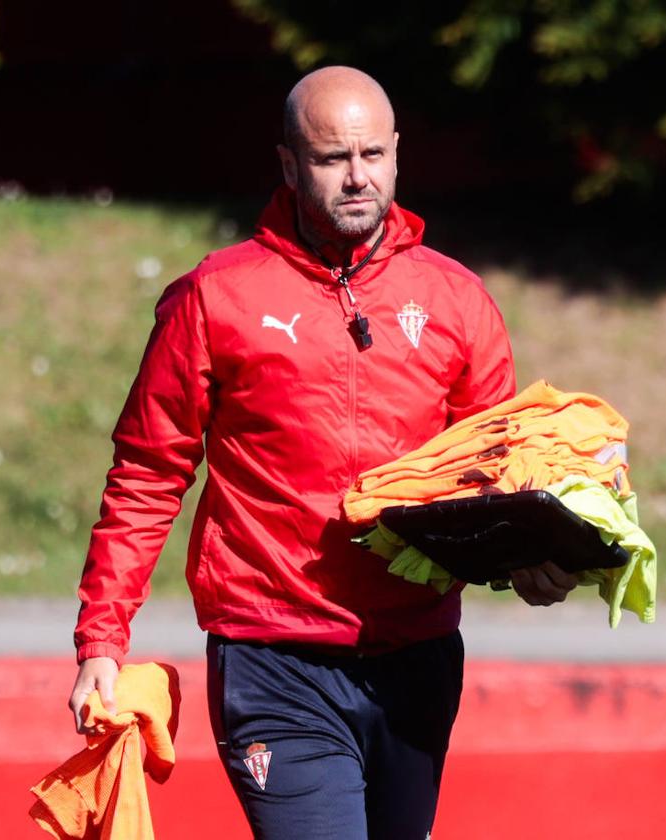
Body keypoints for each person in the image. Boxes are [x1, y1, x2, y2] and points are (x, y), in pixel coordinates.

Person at [66, 65, 581, 839]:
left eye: (372, 155)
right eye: (332, 159)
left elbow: (497, 474)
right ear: (287, 164)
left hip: (418, 655)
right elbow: (147, 470)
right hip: (273, 659)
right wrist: (103, 638)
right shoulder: (216, 297)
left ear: (398, 154)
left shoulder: (457, 300)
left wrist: (535, 561)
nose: (356, 178)